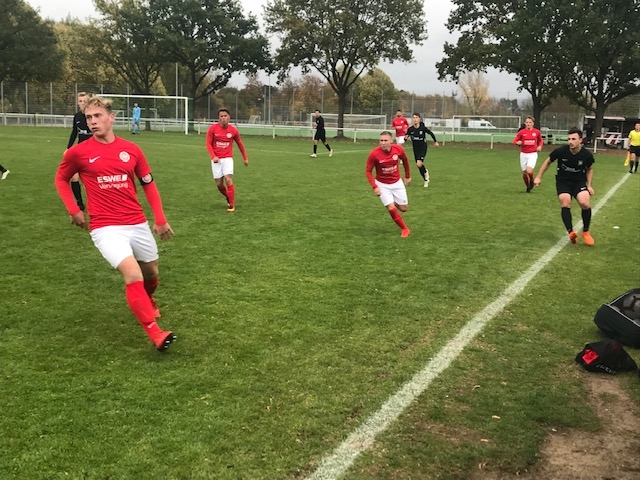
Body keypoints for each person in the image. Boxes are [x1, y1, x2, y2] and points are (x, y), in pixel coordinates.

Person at [54, 94, 176, 351]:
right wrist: (74, 210)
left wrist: (160, 219)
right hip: (105, 228)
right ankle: (155, 333)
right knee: (132, 274)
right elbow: (61, 179)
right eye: (89, 117)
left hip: (136, 222)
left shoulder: (132, 150)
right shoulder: (78, 152)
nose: (92, 121)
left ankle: (148, 298)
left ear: (111, 118)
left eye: (97, 116)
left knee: (151, 274)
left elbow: (148, 184)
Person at [533, 127, 595, 246]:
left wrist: (589, 185)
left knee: (585, 203)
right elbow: (548, 161)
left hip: (579, 182)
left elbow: (589, 169)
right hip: (563, 182)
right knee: (565, 201)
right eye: (569, 139)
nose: (570, 141)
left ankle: (586, 232)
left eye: (573, 139)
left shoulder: (586, 154)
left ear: (580, 140)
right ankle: (571, 232)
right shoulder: (561, 151)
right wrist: (539, 177)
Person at [365, 131, 412, 237]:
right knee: (391, 208)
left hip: (397, 183)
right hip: (382, 185)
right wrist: (375, 187)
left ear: (391, 140)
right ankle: (404, 229)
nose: (383, 143)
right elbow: (368, 171)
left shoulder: (398, 149)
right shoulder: (374, 154)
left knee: (404, 208)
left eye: (385, 140)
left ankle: (392, 200)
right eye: (381, 140)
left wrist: (407, 176)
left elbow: (405, 161)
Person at [205, 108, 248, 212]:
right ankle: (228, 197)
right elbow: (208, 144)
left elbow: (240, 144)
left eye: (225, 116)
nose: (223, 118)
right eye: (221, 116)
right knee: (219, 184)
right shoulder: (213, 129)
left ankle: (232, 205)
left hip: (228, 158)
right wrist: (213, 156)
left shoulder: (233, 130)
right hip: (216, 160)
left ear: (229, 117)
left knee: (228, 179)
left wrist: (245, 158)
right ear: (219, 118)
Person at [66, 92, 92, 210]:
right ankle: (80, 203)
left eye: (84, 101)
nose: (82, 103)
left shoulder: (92, 116)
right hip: (80, 151)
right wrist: (68, 148)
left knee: (90, 180)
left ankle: (96, 201)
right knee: (74, 177)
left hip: (92, 151)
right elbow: (74, 132)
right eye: (80, 101)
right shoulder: (77, 116)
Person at [405, 113, 440, 187]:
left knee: (419, 164)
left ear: (419, 119)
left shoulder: (422, 128)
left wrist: (435, 141)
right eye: (413, 118)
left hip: (423, 148)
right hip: (415, 149)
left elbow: (430, 133)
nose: (415, 119)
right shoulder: (410, 129)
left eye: (416, 117)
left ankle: (426, 178)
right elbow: (406, 137)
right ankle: (425, 178)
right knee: (419, 165)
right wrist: (405, 138)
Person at [513, 115, 543, 193]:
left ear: (533, 123)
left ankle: (532, 180)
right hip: (523, 154)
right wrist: (517, 142)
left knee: (529, 171)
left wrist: (540, 146)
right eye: (527, 122)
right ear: (525, 123)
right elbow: (514, 141)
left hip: (532, 154)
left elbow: (540, 140)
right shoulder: (521, 132)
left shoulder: (536, 132)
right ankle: (528, 187)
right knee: (524, 173)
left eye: (530, 122)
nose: (528, 124)